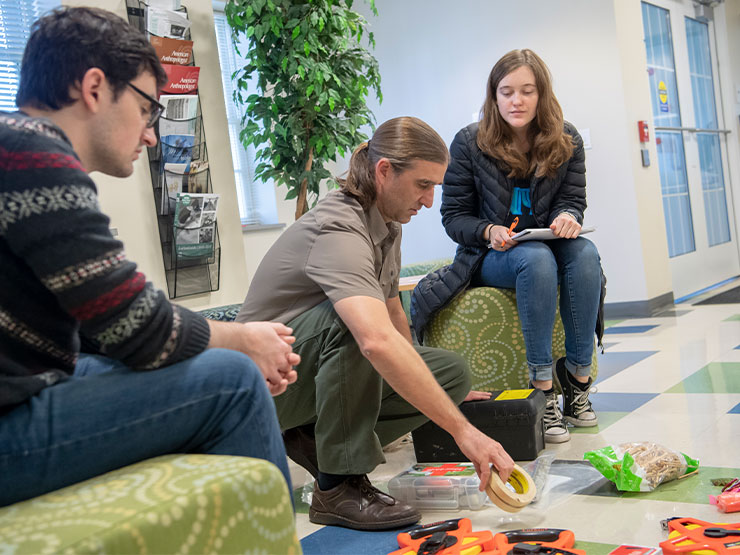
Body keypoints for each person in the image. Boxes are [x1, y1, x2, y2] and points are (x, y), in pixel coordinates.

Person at [0, 7, 299, 507]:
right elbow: (140, 330)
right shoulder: (37, 160)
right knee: (233, 381)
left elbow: (107, 327)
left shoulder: (19, 150)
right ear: (94, 88)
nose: (151, 134)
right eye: (146, 108)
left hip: (26, 388)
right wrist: (244, 341)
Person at [236, 116, 514, 531]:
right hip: (258, 390)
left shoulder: (387, 224)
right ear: (385, 171)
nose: (429, 201)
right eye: (423, 185)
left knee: (449, 375)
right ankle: (337, 486)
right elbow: (375, 339)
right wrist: (463, 432)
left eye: (434, 187)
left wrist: (432, 387)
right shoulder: (339, 226)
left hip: (303, 375)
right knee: (354, 324)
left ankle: (312, 436)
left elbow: (393, 311)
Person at [411, 49, 603, 445]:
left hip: (549, 244)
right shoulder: (469, 142)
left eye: (527, 91)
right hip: (491, 255)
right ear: (494, 96)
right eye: (507, 91)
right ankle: (544, 390)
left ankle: (579, 384)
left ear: (541, 95)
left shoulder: (567, 139)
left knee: (585, 254)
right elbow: (454, 217)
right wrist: (488, 230)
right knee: (536, 260)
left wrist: (568, 215)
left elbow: (573, 198)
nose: (517, 101)